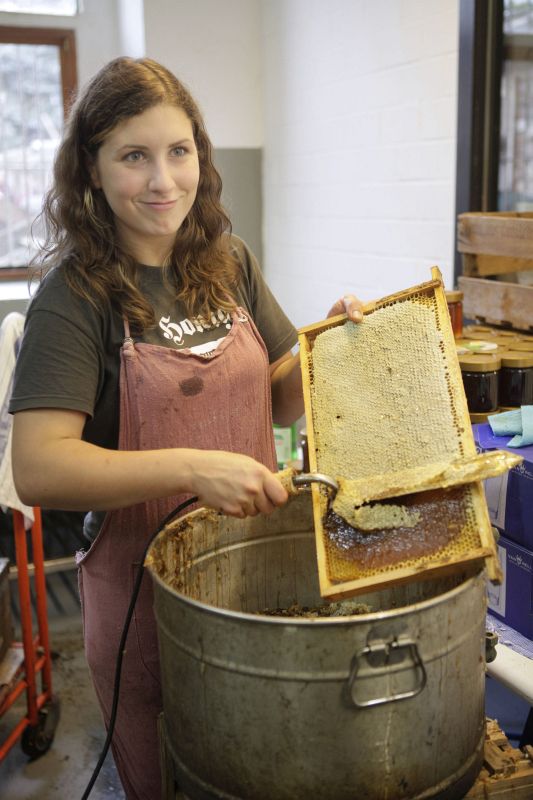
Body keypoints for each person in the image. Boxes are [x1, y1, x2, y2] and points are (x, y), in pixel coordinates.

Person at [9, 57, 363, 800]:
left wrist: (326, 348)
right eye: (133, 156)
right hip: (145, 606)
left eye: (179, 151)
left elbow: (277, 399)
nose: (163, 180)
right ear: (91, 169)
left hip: (257, 579)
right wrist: (194, 468)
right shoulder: (74, 297)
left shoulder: (227, 262)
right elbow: (40, 466)